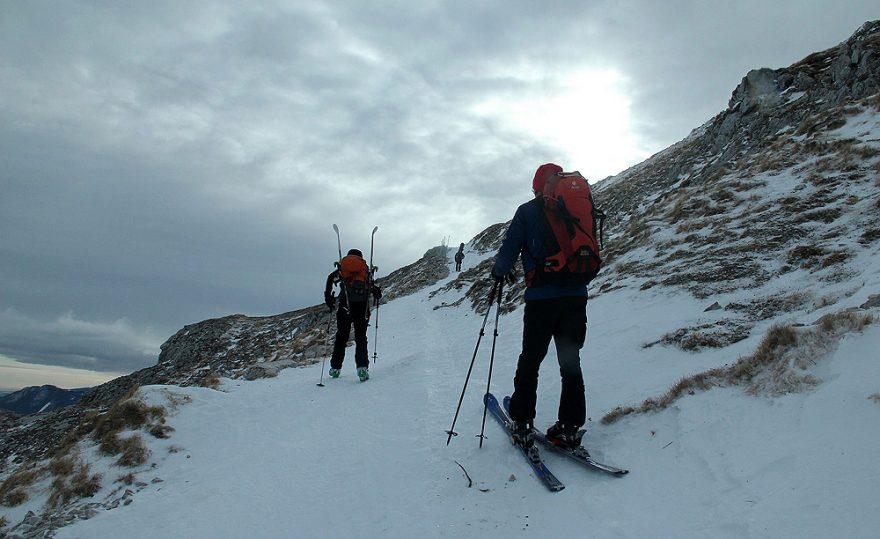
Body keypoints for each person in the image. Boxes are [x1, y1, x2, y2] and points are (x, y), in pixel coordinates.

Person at [490, 163, 589, 450]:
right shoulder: (576, 207)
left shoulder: (528, 211)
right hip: (575, 297)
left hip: (541, 301)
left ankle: (521, 422)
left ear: (537, 187)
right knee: (570, 363)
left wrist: (500, 272)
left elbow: (509, 250)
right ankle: (569, 427)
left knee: (530, 360)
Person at [324, 248, 382, 382]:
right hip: (361, 306)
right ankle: (362, 367)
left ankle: (335, 368)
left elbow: (330, 279)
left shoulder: (342, 268)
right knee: (361, 336)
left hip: (345, 305)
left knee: (341, 336)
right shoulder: (364, 269)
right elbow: (371, 285)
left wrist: (329, 298)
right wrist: (376, 292)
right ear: (360, 257)